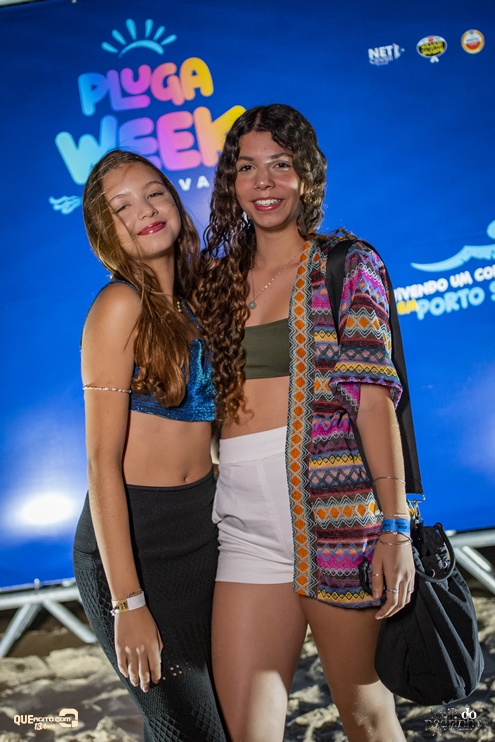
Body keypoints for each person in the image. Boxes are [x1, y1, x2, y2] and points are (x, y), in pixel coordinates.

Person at [196, 104, 416, 742]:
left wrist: (395, 526)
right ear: (231, 182)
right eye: (247, 168)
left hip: (337, 522)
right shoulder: (215, 282)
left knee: (366, 716)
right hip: (242, 524)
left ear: (307, 175)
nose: (263, 182)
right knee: (245, 729)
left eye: (280, 165)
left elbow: (374, 401)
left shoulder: (347, 264)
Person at [72, 150, 226, 742]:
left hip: (203, 533)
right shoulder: (118, 307)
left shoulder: (199, 299)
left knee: (222, 717)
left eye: (155, 192)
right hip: (136, 546)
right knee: (189, 726)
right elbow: (100, 463)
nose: (146, 210)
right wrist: (128, 603)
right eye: (123, 205)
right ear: (106, 232)